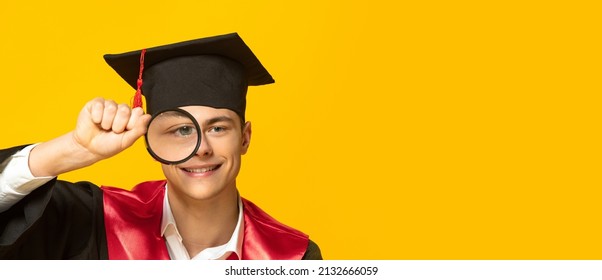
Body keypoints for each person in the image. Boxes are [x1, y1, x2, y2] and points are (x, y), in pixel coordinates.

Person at [0, 33, 322, 260]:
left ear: (245, 138)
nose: (201, 148)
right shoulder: (94, 222)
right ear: (151, 140)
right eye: (181, 130)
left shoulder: (292, 258)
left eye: (218, 127)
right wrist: (74, 148)